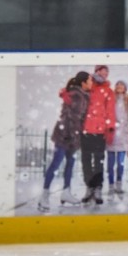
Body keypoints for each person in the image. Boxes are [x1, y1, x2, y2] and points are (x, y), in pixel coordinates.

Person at [38, 71, 92, 212]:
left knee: (70, 164)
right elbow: (71, 117)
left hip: (73, 136)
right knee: (56, 163)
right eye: (90, 80)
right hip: (64, 135)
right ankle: (44, 195)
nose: (92, 83)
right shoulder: (77, 95)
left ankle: (66, 191)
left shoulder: (84, 96)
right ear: (83, 83)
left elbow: (79, 119)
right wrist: (73, 135)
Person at [81, 64, 116, 205]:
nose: (104, 75)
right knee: (86, 161)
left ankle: (98, 188)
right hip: (85, 131)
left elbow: (110, 111)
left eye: (106, 73)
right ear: (96, 72)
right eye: (102, 72)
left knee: (99, 162)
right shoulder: (88, 88)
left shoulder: (108, 91)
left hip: (100, 132)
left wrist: (110, 129)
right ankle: (89, 187)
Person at [106, 80, 128, 196]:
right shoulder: (111, 99)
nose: (119, 86)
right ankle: (110, 185)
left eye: (122, 85)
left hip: (123, 136)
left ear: (125, 88)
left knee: (120, 163)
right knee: (110, 164)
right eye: (117, 84)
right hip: (112, 134)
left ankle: (118, 184)